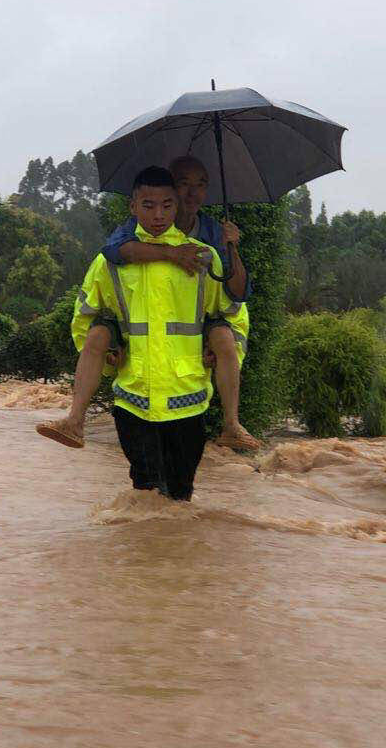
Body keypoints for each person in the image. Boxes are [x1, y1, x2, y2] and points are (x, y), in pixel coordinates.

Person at [39, 165, 249, 501]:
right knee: (145, 496)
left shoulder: (202, 256)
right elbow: (85, 315)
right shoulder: (110, 260)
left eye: (167, 205)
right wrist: (108, 359)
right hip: (133, 401)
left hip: (189, 402)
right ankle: (74, 421)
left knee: (180, 498)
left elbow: (234, 312)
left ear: (177, 206)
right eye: (148, 206)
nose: (158, 214)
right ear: (133, 207)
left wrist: (223, 352)